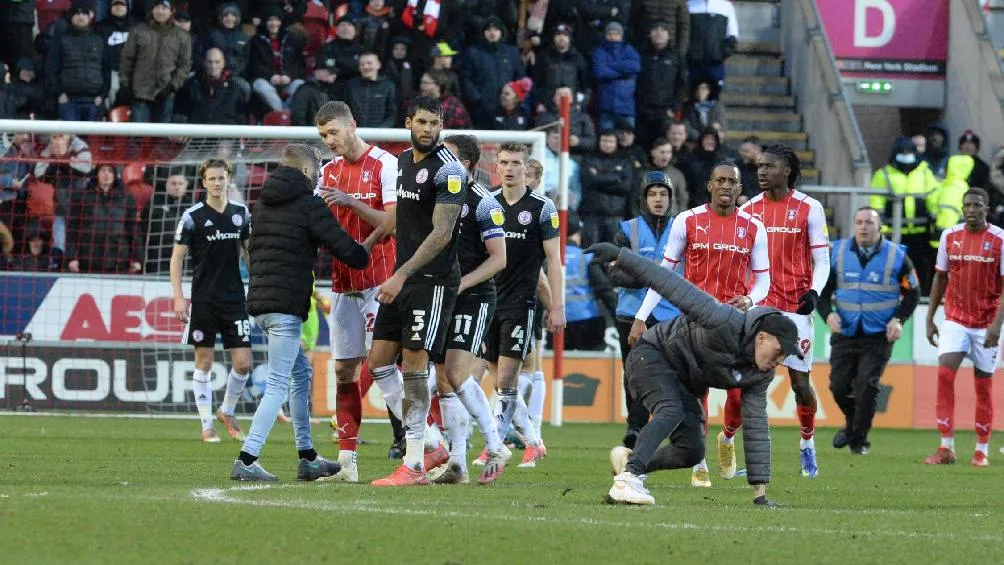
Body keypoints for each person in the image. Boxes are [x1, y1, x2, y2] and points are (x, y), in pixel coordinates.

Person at [591, 241, 792, 507]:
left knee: (692, 450)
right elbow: (670, 284)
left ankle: (631, 464)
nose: (777, 362)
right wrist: (621, 256)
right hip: (650, 355)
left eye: (784, 358)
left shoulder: (761, 374)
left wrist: (760, 494)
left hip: (683, 380)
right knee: (670, 409)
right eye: (778, 353)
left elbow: (755, 425)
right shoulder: (724, 319)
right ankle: (627, 480)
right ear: (762, 337)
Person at [232, 144, 370, 482]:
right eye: (318, 168)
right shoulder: (311, 205)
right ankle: (247, 460)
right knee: (278, 384)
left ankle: (307, 456)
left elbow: (245, 242)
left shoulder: (261, 205)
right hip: (285, 308)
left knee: (301, 374)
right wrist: (371, 247)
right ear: (307, 172)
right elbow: (346, 250)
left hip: (262, 304)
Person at [630, 162, 769, 487]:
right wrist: (640, 316)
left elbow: (764, 280)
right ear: (709, 184)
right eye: (719, 180)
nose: (725, 186)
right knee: (696, 393)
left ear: (738, 188)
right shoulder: (688, 220)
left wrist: (750, 300)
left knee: (737, 394)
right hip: (692, 324)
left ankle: (728, 438)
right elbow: (664, 273)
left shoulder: (753, 227)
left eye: (731, 181)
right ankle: (700, 463)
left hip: (735, 325)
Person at [367, 95, 468, 487]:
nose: (429, 129)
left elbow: (442, 233)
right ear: (409, 122)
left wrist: (401, 274)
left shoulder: (450, 170)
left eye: (435, 122)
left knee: (413, 366)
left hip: (432, 281)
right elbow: (401, 218)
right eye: (422, 122)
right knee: (378, 360)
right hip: (404, 276)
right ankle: (431, 441)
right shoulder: (403, 162)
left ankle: (413, 465)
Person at [314, 101, 399, 482]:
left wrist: (350, 204)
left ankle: (429, 445)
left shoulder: (385, 164)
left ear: (353, 125)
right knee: (345, 371)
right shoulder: (326, 171)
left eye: (333, 132)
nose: (329, 141)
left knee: (383, 367)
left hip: (382, 284)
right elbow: (314, 219)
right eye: (323, 135)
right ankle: (347, 463)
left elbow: (394, 223)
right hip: (343, 284)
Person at [737, 144, 830, 478]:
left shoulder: (809, 208)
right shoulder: (747, 209)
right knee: (746, 378)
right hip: (760, 305)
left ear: (787, 170)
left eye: (769, 166)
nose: (761, 171)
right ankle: (735, 446)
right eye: (759, 166)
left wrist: (814, 292)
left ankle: (807, 444)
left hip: (795, 307)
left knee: (799, 384)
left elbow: (822, 259)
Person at [471, 142, 565, 470]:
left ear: (527, 168)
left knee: (507, 381)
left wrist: (556, 306)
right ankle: (535, 442)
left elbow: (553, 261)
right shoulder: (487, 203)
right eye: (505, 162)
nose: (510, 168)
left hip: (522, 305)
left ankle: (494, 445)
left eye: (516, 163)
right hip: (488, 303)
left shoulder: (542, 208)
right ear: (495, 166)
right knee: (493, 380)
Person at [426, 133, 509, 485]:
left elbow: (499, 259)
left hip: (473, 297)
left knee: (458, 375)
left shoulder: (484, 203)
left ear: (469, 165)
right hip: (443, 295)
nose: (444, 163)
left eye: (453, 158)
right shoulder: (440, 198)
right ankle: (457, 462)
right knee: (444, 380)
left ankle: (495, 443)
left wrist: (462, 283)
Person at [817, 207, 920, 455]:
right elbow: (822, 289)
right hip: (845, 330)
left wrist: (898, 320)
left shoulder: (897, 256)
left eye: (869, 223)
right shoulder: (837, 252)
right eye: (859, 222)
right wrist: (827, 314)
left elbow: (913, 292)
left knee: (867, 385)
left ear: (880, 227)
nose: (863, 227)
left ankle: (859, 441)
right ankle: (853, 426)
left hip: (878, 335)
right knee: (838, 386)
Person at [171, 159, 253, 443]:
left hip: (234, 299)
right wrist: (179, 297)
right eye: (212, 179)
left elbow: (248, 253)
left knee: (243, 363)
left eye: (222, 178)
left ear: (228, 179)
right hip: (204, 300)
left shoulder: (241, 214)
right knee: (203, 361)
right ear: (203, 182)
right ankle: (206, 424)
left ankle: (227, 411)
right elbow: (177, 258)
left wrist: (256, 286)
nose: (217, 183)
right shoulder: (192, 216)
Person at [924, 188, 1004, 468]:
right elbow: (940, 278)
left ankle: (981, 450)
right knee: (945, 374)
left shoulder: (1000, 240)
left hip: (986, 324)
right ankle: (946, 447)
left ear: (987, 208)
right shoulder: (950, 236)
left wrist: (997, 325)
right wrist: (930, 317)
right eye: (967, 205)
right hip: (955, 320)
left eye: (977, 205)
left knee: (983, 386)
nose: (971, 210)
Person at [605, 171, 680, 449]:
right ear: (643, 198)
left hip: (670, 313)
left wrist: (641, 273)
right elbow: (614, 273)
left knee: (670, 373)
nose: (658, 199)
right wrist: (653, 277)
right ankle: (635, 426)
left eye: (663, 194)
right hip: (631, 312)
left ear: (671, 198)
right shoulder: (628, 229)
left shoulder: (682, 227)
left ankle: (669, 425)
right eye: (653, 194)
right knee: (634, 373)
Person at [870, 137, 938, 295]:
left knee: (922, 268)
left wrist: (936, 226)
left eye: (909, 152)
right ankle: (899, 298)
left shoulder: (925, 173)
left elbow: (933, 200)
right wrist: (882, 229)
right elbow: (876, 203)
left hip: (922, 234)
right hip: (893, 234)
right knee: (894, 270)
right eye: (902, 152)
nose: (906, 155)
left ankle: (920, 297)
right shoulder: (883, 174)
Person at [119, 0, 192, 123]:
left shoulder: (182, 36)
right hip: (140, 93)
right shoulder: (138, 31)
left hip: (166, 92)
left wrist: (172, 86)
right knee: (137, 135)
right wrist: (126, 84)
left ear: (171, 11)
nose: (160, 11)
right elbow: (127, 59)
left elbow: (185, 65)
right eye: (157, 7)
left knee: (161, 138)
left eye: (164, 8)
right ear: (152, 10)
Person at [65, 164, 142, 274]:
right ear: (96, 174)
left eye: (110, 171)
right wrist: (71, 257)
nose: (106, 174)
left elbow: (133, 230)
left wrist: (137, 258)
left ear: (115, 175)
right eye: (103, 170)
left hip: (119, 260)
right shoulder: (82, 196)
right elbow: (72, 228)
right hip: (88, 259)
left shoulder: (126, 198)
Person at [46, 0, 109, 122]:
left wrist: (102, 96)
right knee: (70, 139)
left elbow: (106, 70)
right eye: (77, 13)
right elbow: (51, 69)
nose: (81, 17)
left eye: (84, 13)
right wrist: (60, 94)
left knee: (91, 141)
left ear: (90, 16)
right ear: (71, 16)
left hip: (94, 100)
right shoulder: (61, 39)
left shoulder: (99, 40)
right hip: (69, 100)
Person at [248, 9, 306, 113]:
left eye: (277, 20)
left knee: (301, 86)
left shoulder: (291, 39)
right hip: (265, 79)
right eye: (270, 20)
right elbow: (254, 65)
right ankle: (282, 115)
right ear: (265, 22)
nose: (274, 23)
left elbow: (298, 64)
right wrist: (271, 76)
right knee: (265, 89)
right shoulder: (256, 40)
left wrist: (289, 76)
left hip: (287, 80)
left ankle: (285, 114)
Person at [173, 48, 247, 125]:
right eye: (209, 62)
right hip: (197, 133)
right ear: (204, 62)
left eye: (217, 62)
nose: (213, 66)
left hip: (226, 134)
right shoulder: (190, 86)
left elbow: (241, 116)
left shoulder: (235, 88)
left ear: (223, 63)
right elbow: (179, 112)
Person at [592, 21, 640, 132]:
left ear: (621, 36)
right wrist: (624, 72)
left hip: (626, 108)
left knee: (627, 142)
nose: (613, 37)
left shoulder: (628, 49)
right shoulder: (599, 52)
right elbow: (600, 72)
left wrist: (610, 66)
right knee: (607, 142)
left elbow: (635, 66)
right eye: (610, 34)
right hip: (606, 108)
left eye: (616, 34)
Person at [344, 52, 397, 129]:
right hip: (355, 134)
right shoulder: (351, 86)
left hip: (381, 136)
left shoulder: (388, 86)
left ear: (378, 65)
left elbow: (392, 116)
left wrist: (378, 133)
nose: (365, 67)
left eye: (369, 63)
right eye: (362, 64)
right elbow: (344, 112)